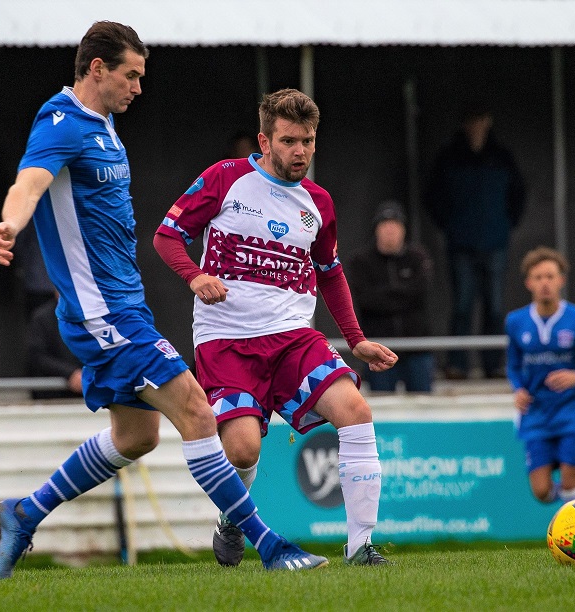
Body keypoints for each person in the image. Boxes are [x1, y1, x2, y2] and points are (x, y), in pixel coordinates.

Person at [0, 22, 327, 579]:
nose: (139, 88)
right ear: (98, 68)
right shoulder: (60, 121)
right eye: (132, 75)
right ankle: (269, 545)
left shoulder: (105, 124)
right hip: (102, 313)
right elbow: (30, 182)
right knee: (196, 408)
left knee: (136, 436)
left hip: (125, 306)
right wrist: (10, 224)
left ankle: (25, 513)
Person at [154, 88, 398, 567]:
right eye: (288, 141)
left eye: (308, 140)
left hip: (292, 336)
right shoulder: (225, 179)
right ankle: (233, 517)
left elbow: (329, 272)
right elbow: (167, 237)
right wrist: (195, 275)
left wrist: (357, 340)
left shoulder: (319, 203)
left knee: (356, 411)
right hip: (226, 342)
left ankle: (360, 547)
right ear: (264, 140)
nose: (300, 151)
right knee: (242, 450)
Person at [505, 247, 575, 504]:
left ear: (561, 280)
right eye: (539, 277)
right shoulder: (516, 321)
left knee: (568, 483)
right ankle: (567, 500)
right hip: (535, 411)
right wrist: (518, 389)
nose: (545, 283)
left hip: (570, 409)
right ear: (528, 283)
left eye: (550, 276)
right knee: (541, 493)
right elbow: (513, 365)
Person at [425, 104, 525, 380]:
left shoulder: (502, 157)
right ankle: (458, 364)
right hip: (461, 243)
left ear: (488, 122)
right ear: (464, 124)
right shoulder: (449, 157)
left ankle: (494, 364)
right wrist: (450, 225)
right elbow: (433, 195)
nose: (476, 126)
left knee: (494, 305)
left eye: (481, 120)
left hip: (495, 241)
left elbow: (518, 194)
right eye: (471, 120)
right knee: (462, 304)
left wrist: (506, 224)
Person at [348, 200, 435, 392]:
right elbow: (366, 300)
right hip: (378, 351)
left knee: (425, 408)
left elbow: (419, 293)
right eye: (385, 224)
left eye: (395, 224)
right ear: (376, 229)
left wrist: (385, 295)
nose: (390, 230)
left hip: (417, 349)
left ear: (403, 229)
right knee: (380, 407)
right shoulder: (361, 261)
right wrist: (401, 294)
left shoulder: (418, 257)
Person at [26, 292, 83, 399]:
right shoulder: (41, 317)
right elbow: (37, 356)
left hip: (90, 393)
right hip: (52, 395)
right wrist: (71, 373)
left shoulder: (97, 315)